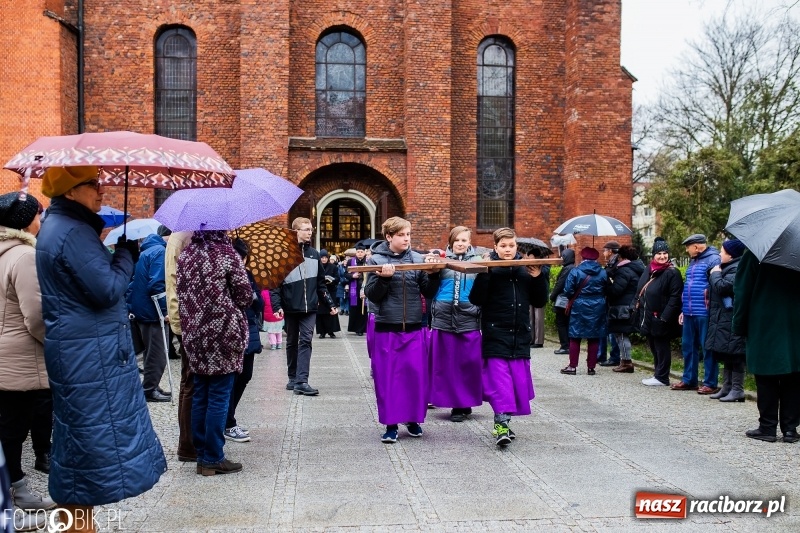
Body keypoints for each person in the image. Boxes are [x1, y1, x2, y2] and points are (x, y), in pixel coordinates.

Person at [35, 166, 166, 524]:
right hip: (87, 354)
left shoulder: (63, 227)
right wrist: (125, 255)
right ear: (70, 191)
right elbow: (107, 289)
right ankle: (77, 524)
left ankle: (76, 520)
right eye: (92, 184)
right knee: (85, 448)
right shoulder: (74, 232)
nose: (102, 190)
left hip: (79, 349)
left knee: (78, 444)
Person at [0, 193, 56, 525]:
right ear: (27, 219)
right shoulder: (24, 256)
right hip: (21, 359)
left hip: (6, 356)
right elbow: (36, 317)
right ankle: (8, 506)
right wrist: (55, 345)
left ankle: (16, 490)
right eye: (39, 214)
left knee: (10, 428)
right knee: (13, 429)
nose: (42, 220)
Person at [177, 230, 252, 475]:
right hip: (223, 332)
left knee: (201, 392)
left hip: (194, 332)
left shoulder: (187, 254)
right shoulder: (226, 253)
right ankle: (213, 456)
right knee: (219, 394)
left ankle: (202, 454)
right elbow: (244, 296)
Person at [469, 227, 547, 446]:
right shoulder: (490, 268)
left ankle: (505, 422)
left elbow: (539, 301)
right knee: (500, 384)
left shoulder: (525, 270)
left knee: (515, 383)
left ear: (516, 246)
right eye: (502, 246)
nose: (507, 249)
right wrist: (484, 273)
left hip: (520, 334)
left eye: (511, 245)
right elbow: (476, 299)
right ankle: (501, 426)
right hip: (496, 333)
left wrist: (538, 277)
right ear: (495, 247)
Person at [364, 217, 438, 443]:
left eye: (408, 234)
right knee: (388, 379)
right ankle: (391, 424)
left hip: (415, 327)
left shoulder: (417, 259)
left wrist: (434, 274)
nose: (406, 238)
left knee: (415, 377)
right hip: (388, 329)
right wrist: (384, 279)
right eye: (401, 235)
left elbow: (428, 292)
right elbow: (371, 294)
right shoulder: (375, 259)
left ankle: (413, 420)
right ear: (389, 237)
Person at [733, 249, 800, 443]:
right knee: (794, 373)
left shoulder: (756, 252)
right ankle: (790, 429)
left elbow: (743, 290)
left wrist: (739, 324)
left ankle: (768, 427)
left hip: (765, 322)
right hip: (795, 322)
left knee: (766, 374)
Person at [270, 218, 337, 396]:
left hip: (310, 308)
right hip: (290, 306)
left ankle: (302, 381)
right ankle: (292, 377)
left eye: (310, 229)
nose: (309, 232)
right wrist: (277, 305)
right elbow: (275, 284)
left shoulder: (314, 254)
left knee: (306, 340)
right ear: (295, 231)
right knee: (291, 341)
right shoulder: (283, 254)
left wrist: (330, 304)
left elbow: (321, 284)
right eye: (305, 229)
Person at [429, 226, 483, 422]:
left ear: (470, 242)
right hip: (444, 315)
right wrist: (433, 272)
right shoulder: (442, 261)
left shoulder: (478, 262)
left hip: (469, 316)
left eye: (464, 240)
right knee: (447, 363)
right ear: (451, 242)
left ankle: (465, 401)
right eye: (457, 240)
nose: (460, 243)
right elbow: (431, 287)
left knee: (468, 362)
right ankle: (456, 405)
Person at [224, 238, 264, 444]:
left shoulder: (247, 275)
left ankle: (228, 419)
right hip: (231, 331)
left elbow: (259, 304)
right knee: (229, 378)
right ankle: (228, 422)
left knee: (245, 375)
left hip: (249, 329)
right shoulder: (223, 274)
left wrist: (253, 297)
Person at [126, 226, 172, 402]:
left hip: (142, 309)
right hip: (152, 312)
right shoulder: (160, 251)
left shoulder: (148, 249)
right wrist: (165, 311)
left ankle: (152, 385)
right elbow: (157, 285)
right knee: (158, 354)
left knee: (150, 352)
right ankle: (149, 389)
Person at [673, 234, 720, 393]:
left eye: (688, 247)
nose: (687, 250)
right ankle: (689, 380)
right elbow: (688, 286)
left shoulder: (713, 259)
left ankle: (710, 383)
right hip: (689, 312)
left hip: (704, 312)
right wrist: (683, 309)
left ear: (697, 246)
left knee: (707, 348)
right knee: (688, 347)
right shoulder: (694, 261)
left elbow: (716, 285)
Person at [164, 230, 195, 463]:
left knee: (191, 382)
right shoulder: (183, 236)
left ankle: (192, 442)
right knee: (191, 382)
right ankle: (188, 444)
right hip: (189, 319)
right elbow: (173, 282)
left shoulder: (191, 233)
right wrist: (179, 323)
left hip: (192, 318)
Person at [636, 238, 684, 387]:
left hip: (662, 317)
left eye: (665, 253)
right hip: (650, 315)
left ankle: (662, 377)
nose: (662, 256)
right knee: (654, 346)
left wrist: (664, 317)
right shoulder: (652, 270)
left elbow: (675, 297)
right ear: (653, 255)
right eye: (659, 253)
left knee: (662, 347)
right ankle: (658, 373)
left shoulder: (672, 272)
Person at [705, 239, 746, 402]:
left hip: (732, 317)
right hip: (723, 318)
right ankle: (727, 387)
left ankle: (738, 389)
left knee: (736, 354)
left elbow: (723, 287)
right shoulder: (727, 267)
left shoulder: (737, 269)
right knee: (727, 353)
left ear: (731, 255)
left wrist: (715, 274)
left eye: (722, 251)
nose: (720, 254)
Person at [559, 247, 608, 376]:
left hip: (579, 305)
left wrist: (574, 297)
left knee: (575, 335)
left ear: (582, 257)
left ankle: (572, 366)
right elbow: (607, 288)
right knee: (594, 336)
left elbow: (568, 290)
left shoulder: (575, 271)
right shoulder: (602, 272)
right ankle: (591, 367)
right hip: (598, 305)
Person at [605, 245, 645, 373]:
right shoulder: (636, 269)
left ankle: (626, 362)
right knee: (621, 334)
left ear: (622, 257)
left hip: (622, 307)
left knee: (621, 335)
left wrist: (607, 284)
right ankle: (624, 361)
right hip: (629, 306)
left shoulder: (624, 271)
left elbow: (616, 290)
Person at [598, 241, 622, 367]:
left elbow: (611, 281)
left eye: (605, 250)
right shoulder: (612, 263)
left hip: (613, 301)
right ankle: (603, 354)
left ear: (610, 251)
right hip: (609, 301)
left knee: (612, 330)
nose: (604, 253)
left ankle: (614, 356)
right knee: (607, 328)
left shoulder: (615, 265)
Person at [549, 248, 575, 355]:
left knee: (561, 323)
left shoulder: (567, 269)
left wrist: (552, 296)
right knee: (567, 322)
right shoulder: (573, 267)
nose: (561, 258)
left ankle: (565, 346)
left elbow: (560, 284)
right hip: (569, 299)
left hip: (563, 300)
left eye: (563, 256)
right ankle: (569, 345)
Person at [527, 248, 550, 349]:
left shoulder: (544, 267)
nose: (530, 259)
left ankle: (539, 341)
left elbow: (544, 276)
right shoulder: (529, 267)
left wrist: (538, 271)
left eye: (531, 258)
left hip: (540, 296)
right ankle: (531, 339)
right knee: (531, 318)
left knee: (538, 318)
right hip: (530, 294)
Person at [316, 249, 341, 339]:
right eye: (322, 258)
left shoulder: (333, 267)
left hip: (331, 291)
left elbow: (338, 278)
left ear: (328, 258)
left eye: (325, 257)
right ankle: (322, 332)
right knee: (321, 312)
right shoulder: (317, 266)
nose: (323, 259)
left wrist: (332, 280)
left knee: (332, 311)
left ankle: (331, 331)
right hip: (320, 293)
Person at [345, 243, 369, 336]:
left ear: (364, 253)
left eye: (361, 252)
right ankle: (355, 328)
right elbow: (345, 274)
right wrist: (352, 276)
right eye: (358, 252)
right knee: (355, 308)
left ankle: (363, 328)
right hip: (354, 288)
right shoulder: (351, 261)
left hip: (365, 287)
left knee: (364, 308)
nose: (359, 253)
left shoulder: (368, 262)